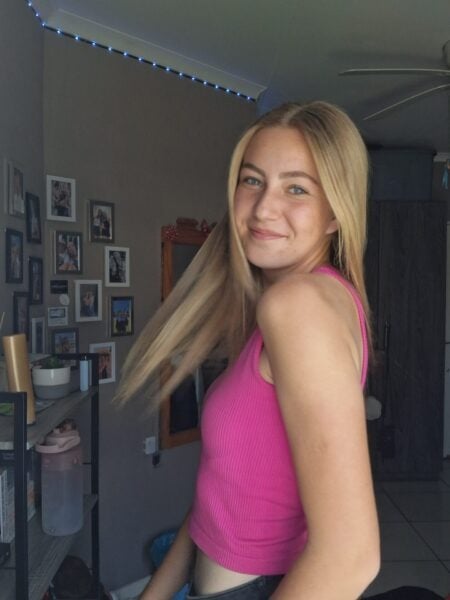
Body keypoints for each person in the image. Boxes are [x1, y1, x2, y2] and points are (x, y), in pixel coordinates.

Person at [116, 101, 380, 599]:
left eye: (296, 188)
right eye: (252, 180)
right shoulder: (304, 304)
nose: (262, 208)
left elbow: (352, 556)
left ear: (334, 214)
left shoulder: (297, 306)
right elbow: (219, 497)